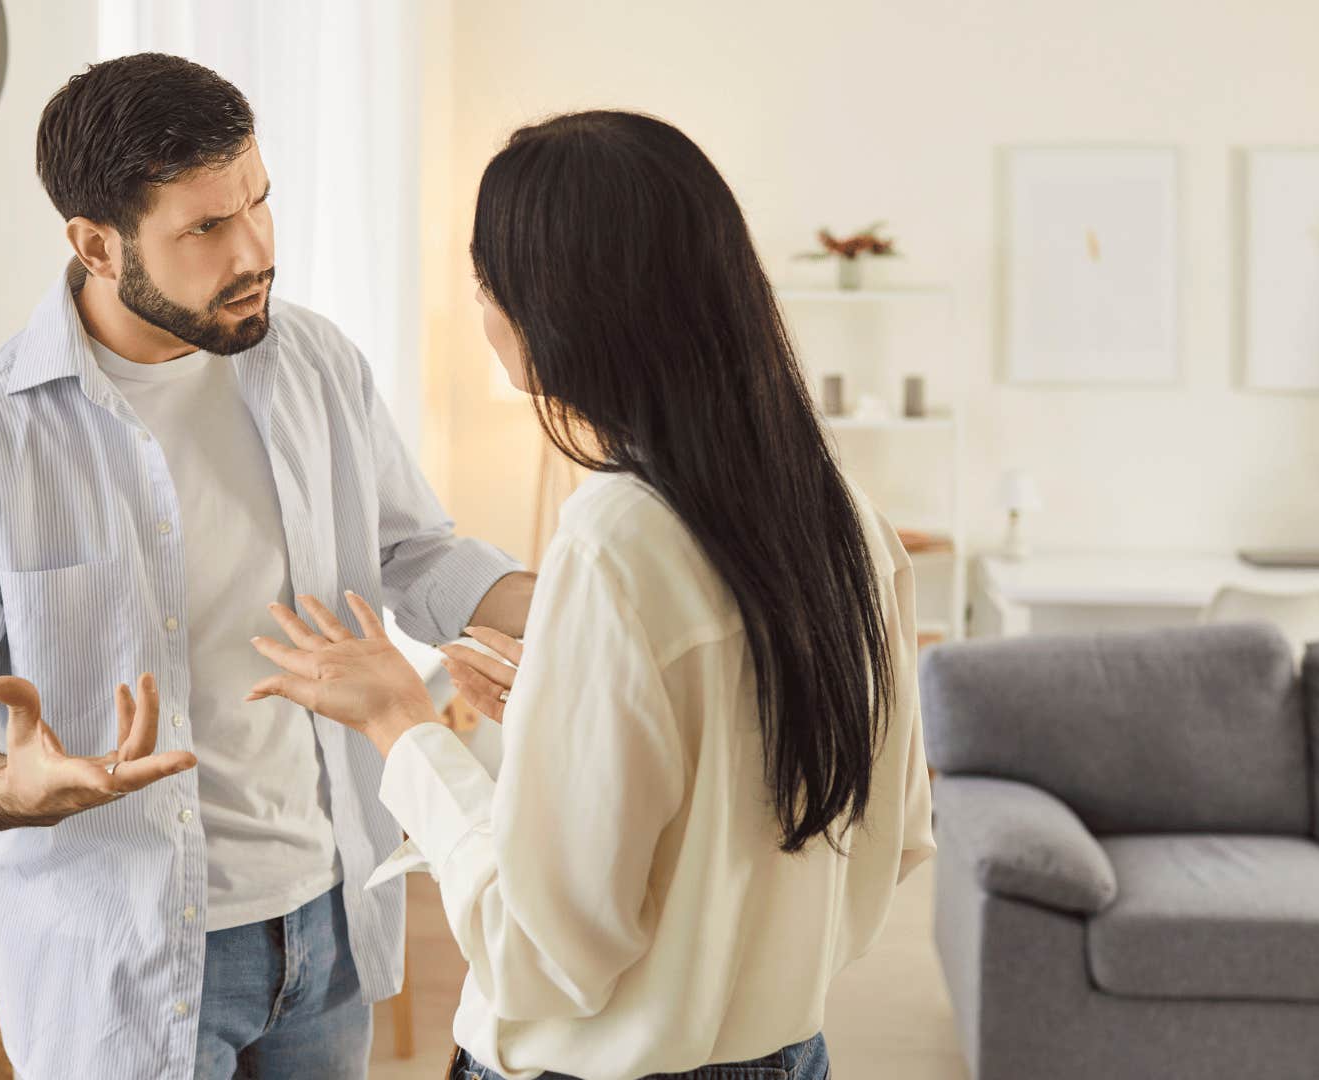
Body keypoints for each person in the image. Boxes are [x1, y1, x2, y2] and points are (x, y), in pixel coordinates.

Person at [0, 53, 534, 1080]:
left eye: (258, 202)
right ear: (94, 242)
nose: (255, 248)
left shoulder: (316, 362)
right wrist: (1, 783)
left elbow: (415, 552)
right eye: (206, 228)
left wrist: (591, 605)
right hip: (122, 966)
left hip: (327, 926)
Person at [246, 110, 937, 1080]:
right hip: (794, 1054)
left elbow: (538, 959)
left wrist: (404, 729)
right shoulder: (846, 516)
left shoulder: (615, 540)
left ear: (553, 312)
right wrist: (564, 718)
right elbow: (894, 835)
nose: (483, 315)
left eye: (486, 287)